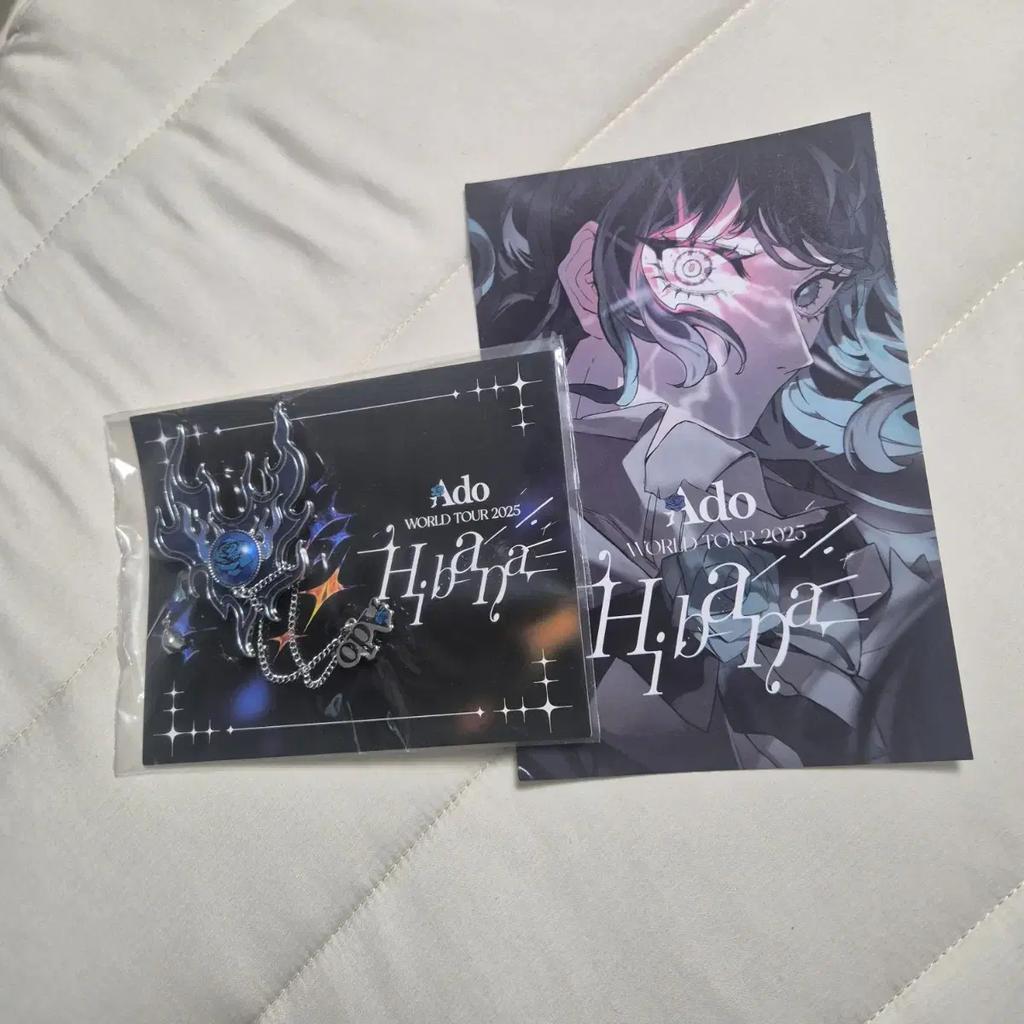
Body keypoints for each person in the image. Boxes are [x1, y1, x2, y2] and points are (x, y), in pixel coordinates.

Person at [466, 114, 970, 777]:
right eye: (703, 269)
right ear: (590, 276)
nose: (794, 348)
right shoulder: (508, 497)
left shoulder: (805, 508)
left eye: (812, 291)